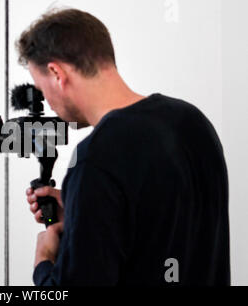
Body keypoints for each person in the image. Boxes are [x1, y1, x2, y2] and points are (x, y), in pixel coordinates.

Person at [20, 8, 230, 286]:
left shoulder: (95, 160)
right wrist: (81, 211)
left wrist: (43, 261)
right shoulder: (192, 122)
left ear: (57, 73)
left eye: (41, 89)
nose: (47, 101)